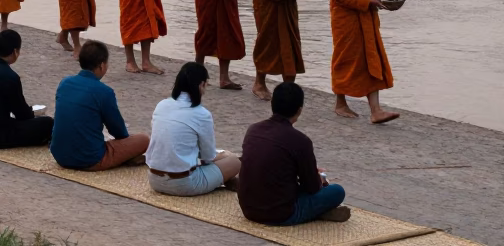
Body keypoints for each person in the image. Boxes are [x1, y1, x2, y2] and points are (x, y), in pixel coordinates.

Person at [238, 81, 349, 225]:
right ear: (299, 110)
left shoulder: (253, 130)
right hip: (280, 214)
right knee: (337, 191)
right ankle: (320, 212)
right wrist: (319, 178)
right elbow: (312, 187)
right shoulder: (301, 141)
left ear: (272, 104)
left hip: (248, 208)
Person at [325, 0, 399, 124]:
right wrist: (369, 2)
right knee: (345, 59)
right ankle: (340, 103)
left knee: (371, 59)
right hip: (346, 19)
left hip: (367, 16)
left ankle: (376, 111)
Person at [146, 61, 240, 197]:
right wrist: (223, 155)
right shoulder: (202, 114)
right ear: (201, 85)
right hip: (184, 184)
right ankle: (225, 178)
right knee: (234, 161)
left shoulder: (162, 105)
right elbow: (208, 157)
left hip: (154, 179)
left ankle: (223, 178)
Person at [50, 41, 148, 170]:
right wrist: (126, 144)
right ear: (102, 65)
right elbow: (118, 131)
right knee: (144, 139)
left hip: (59, 155)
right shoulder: (104, 91)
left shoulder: (65, 83)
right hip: (89, 159)